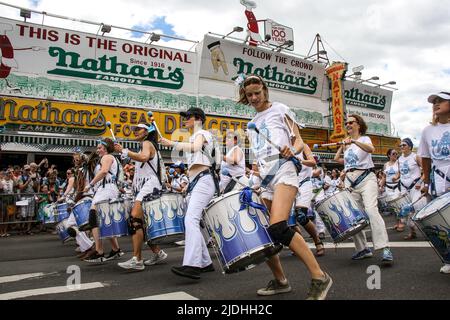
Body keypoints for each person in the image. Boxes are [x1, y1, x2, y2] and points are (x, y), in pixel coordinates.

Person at [238, 74, 332, 300]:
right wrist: (256, 181)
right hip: (266, 177)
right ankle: (281, 281)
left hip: (285, 170)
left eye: (257, 93)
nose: (253, 98)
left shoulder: (280, 109)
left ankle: (320, 276)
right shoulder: (252, 125)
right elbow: (259, 156)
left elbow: (298, 140)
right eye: (249, 95)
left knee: (278, 227)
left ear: (265, 91)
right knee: (264, 232)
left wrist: (293, 149)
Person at [160, 107, 217, 280]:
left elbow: (196, 148)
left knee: (190, 220)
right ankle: (205, 262)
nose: (184, 119)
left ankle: (192, 265)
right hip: (197, 182)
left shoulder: (203, 133)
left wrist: (171, 144)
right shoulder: (194, 136)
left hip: (204, 181)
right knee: (193, 222)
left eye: (188, 117)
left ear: (198, 119)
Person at [334, 114, 393, 264]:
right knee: (354, 217)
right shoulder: (347, 145)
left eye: (351, 122)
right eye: (346, 123)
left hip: (366, 178)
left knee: (372, 211)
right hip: (350, 181)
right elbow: (337, 160)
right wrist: (342, 147)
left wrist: (353, 141)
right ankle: (362, 249)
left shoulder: (364, 139)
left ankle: (384, 247)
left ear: (359, 125)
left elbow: (371, 149)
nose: (348, 125)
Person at [115, 123, 168, 270]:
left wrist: (126, 151)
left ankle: (137, 260)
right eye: (134, 130)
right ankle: (157, 252)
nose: (135, 132)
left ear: (147, 131)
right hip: (147, 186)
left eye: (138, 129)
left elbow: (144, 157)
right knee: (142, 224)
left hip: (149, 186)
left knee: (135, 219)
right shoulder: (146, 145)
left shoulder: (147, 143)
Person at [417, 91, 450, 274]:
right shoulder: (427, 131)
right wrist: (426, 182)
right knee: (442, 221)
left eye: (440, 101)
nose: (435, 104)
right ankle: (448, 257)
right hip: (438, 179)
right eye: (434, 102)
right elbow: (426, 158)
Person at [83, 138, 124, 263]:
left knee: (93, 217)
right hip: (108, 189)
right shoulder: (112, 158)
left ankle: (99, 251)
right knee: (105, 221)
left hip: (105, 190)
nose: (98, 150)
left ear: (106, 148)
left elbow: (104, 171)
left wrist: (89, 185)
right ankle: (116, 249)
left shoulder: (106, 157)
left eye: (100, 147)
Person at [293, 143, 325, 256]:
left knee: (301, 215)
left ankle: (317, 241)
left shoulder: (303, 146)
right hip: (289, 185)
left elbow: (312, 162)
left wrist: (298, 160)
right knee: (289, 221)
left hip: (304, 183)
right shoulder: (282, 145)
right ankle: (300, 245)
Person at [397, 138, 424, 240]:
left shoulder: (415, 157)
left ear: (410, 147)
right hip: (404, 187)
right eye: (400, 145)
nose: (401, 147)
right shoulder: (400, 159)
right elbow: (400, 172)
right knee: (406, 211)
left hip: (415, 187)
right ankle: (413, 232)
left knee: (415, 208)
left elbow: (426, 170)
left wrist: (420, 182)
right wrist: (396, 176)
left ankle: (429, 229)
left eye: (404, 145)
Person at [381, 149, 401, 227]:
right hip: (388, 187)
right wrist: (381, 185)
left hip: (397, 186)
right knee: (392, 207)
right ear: (389, 155)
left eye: (396, 153)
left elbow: (401, 173)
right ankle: (397, 222)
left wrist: (396, 177)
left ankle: (401, 223)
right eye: (393, 154)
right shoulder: (386, 165)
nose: (395, 155)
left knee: (398, 205)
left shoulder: (399, 163)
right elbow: (384, 177)